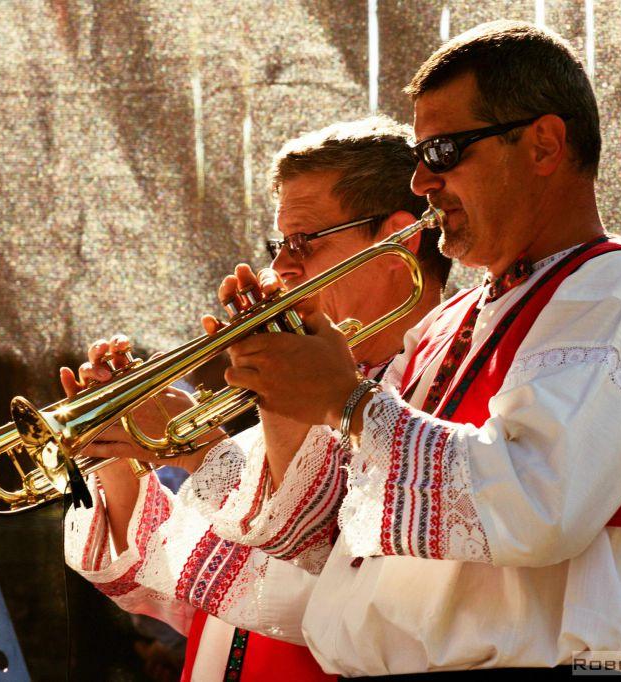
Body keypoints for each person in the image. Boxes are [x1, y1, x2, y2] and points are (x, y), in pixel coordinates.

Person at [209, 20, 621, 676]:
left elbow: (537, 503)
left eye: (444, 151)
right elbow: (318, 539)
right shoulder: (450, 320)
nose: (421, 180)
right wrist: (284, 384)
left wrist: (346, 400)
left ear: (543, 144)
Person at [61, 116, 451, 681]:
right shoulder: (288, 405)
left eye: (303, 241)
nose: (279, 267)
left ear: (399, 241)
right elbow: (182, 591)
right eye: (278, 244)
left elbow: (316, 587)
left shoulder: (436, 405)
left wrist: (200, 452)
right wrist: (118, 450)